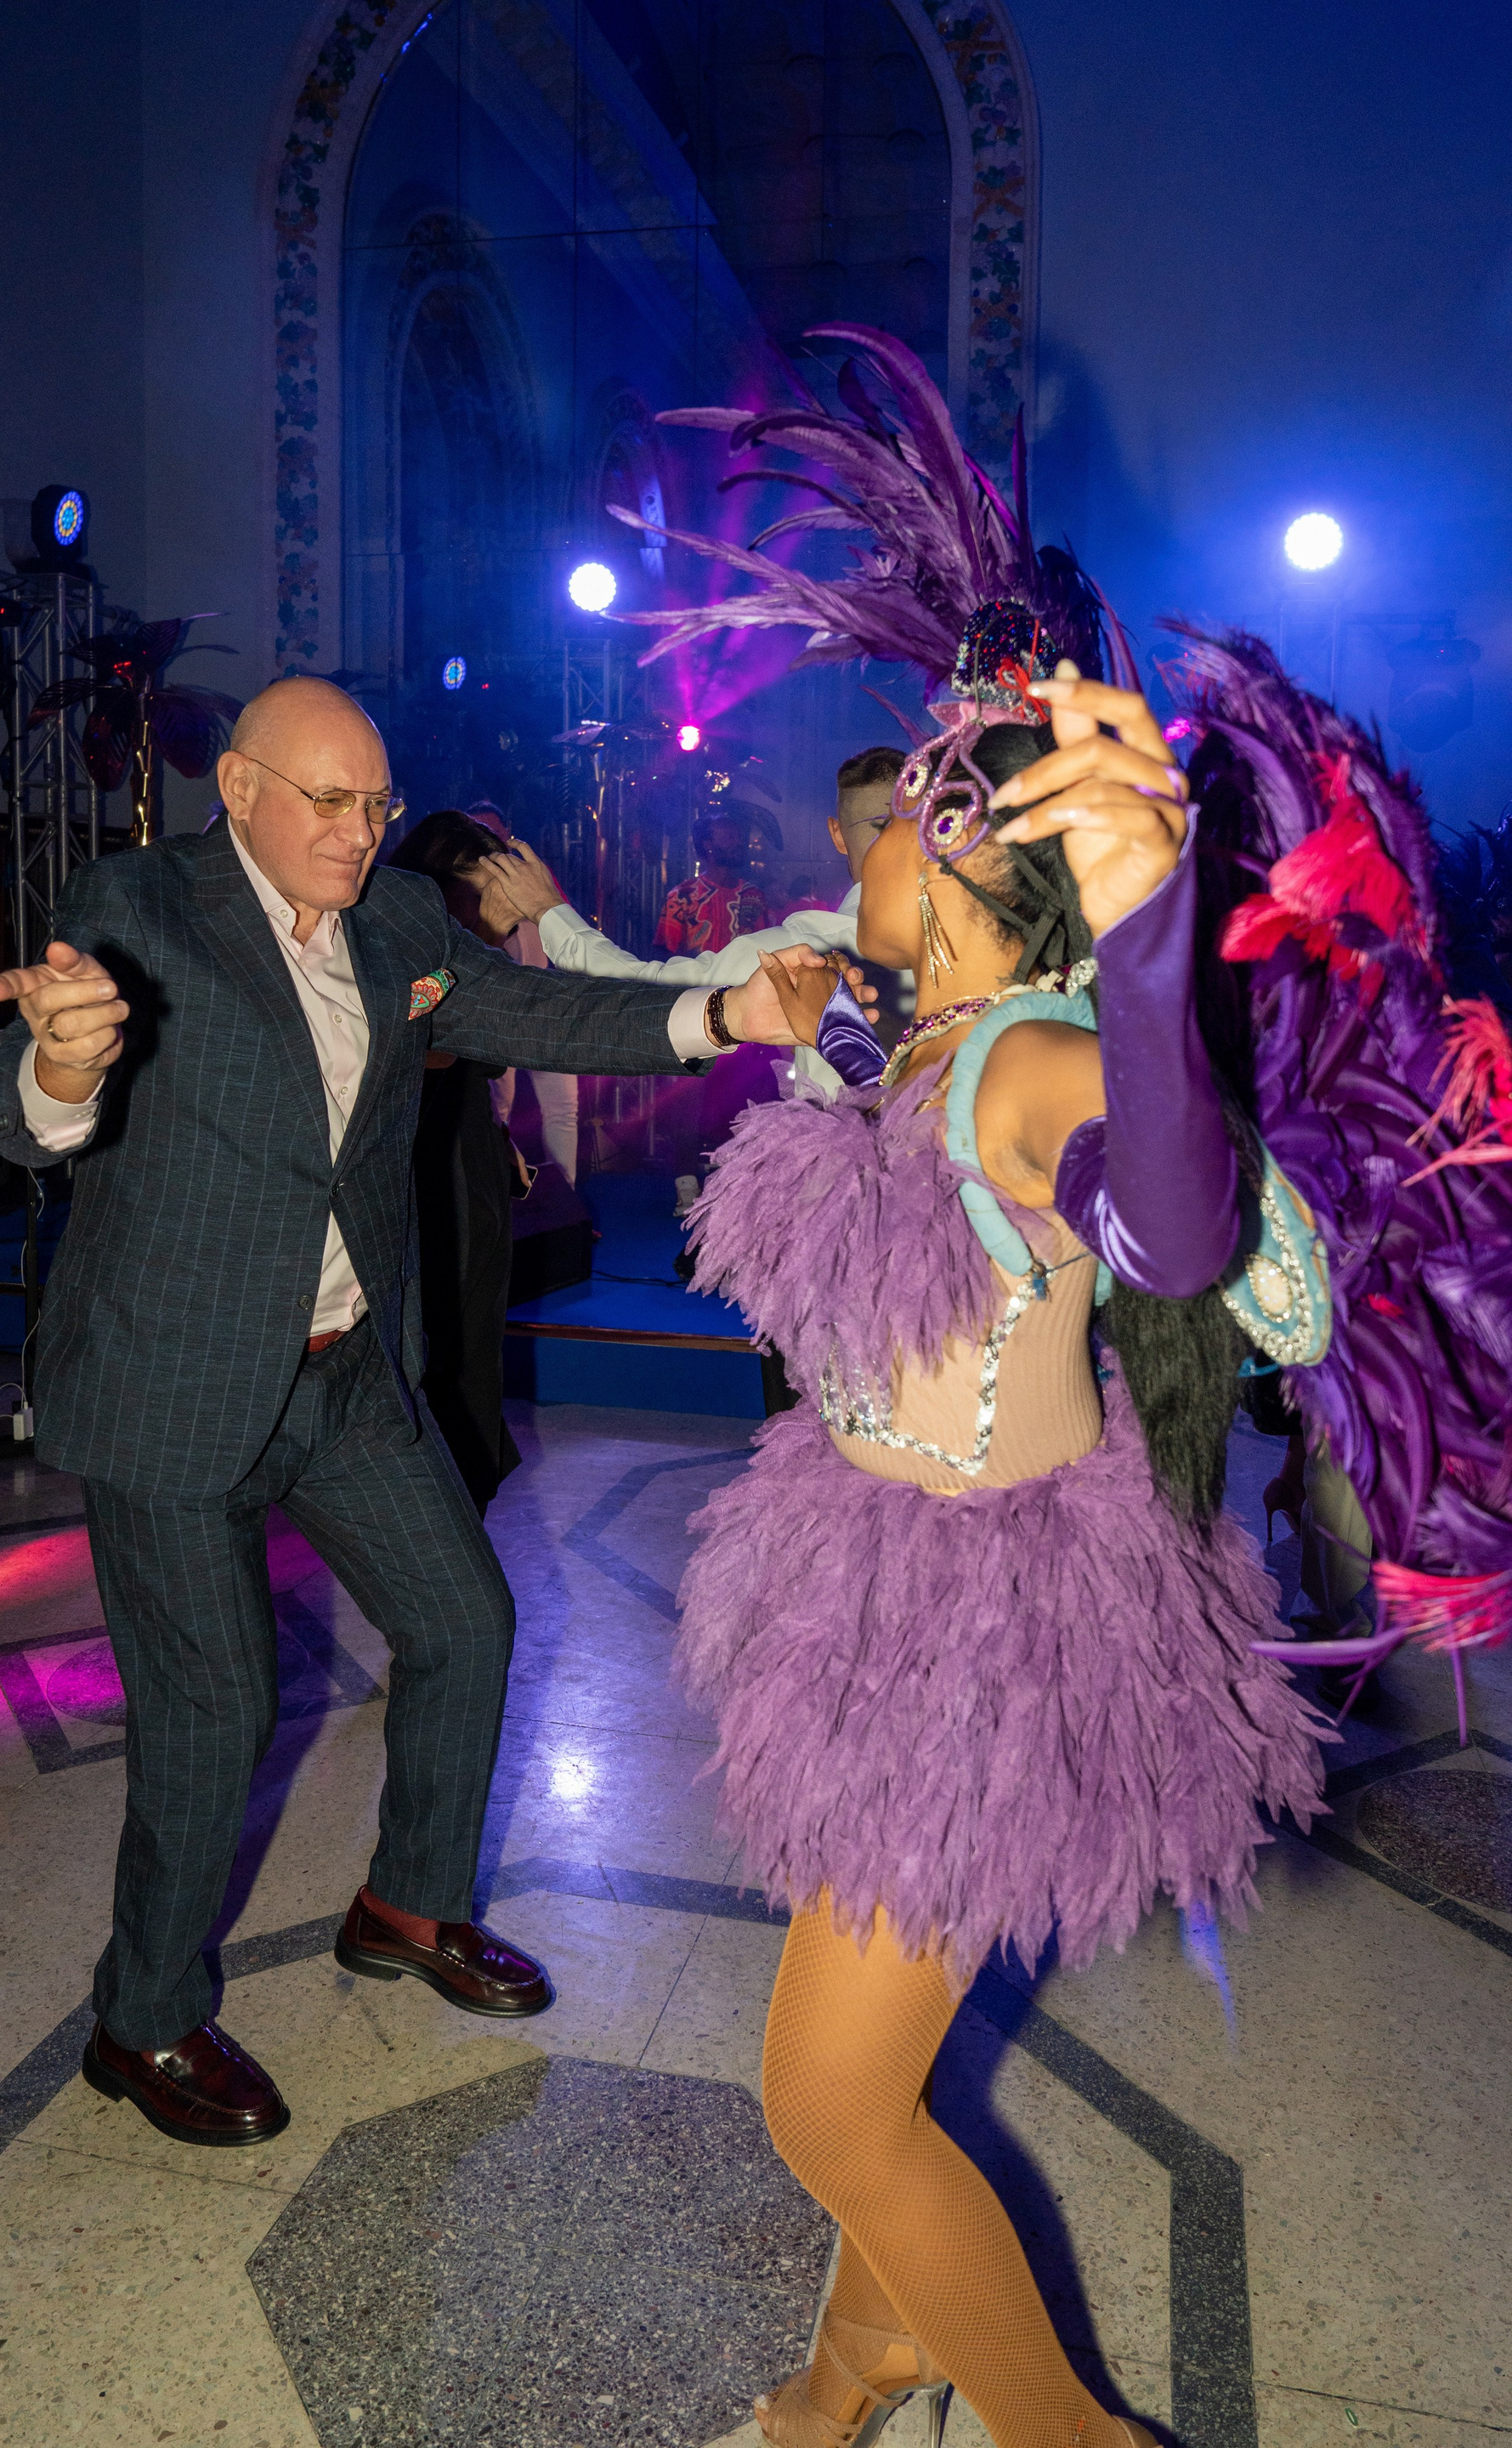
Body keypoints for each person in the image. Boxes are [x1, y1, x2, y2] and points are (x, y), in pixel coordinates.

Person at [620, 320, 1512, 2448]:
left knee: (826, 2100)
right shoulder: (917, 1036)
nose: (852, 836)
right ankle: (863, 2356)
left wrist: (1145, 937)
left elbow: (1181, 1238)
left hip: (977, 1628)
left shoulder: (1030, 1054)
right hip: (855, 1572)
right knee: (882, 2051)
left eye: (887, 816)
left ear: (963, 859)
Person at [0, 675, 816, 2150]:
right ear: (240, 790)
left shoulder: (401, 922)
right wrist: (62, 1060)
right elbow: (24, 1105)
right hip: (174, 1379)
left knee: (466, 1627)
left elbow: (530, 1004)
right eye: (327, 802)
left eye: (376, 805)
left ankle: (406, 1907)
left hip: (348, 1370)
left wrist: (723, 1012)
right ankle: (141, 2016)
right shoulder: (142, 906)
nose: (360, 833)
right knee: (215, 1711)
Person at [478, 744, 908, 1102]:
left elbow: (635, 991)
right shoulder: (690, 898)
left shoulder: (800, 946)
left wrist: (547, 908)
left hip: (822, 1154)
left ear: (836, 834)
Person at [387, 808, 525, 1515]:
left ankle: (467, 1484)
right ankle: (438, 1497)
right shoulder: (393, 931)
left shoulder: (468, 941)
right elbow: (419, 1029)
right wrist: (487, 940)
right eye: (480, 887)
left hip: (467, 1146)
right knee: (437, 1333)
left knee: (474, 1333)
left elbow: (495, 1049)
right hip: (417, 1155)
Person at [463, 798, 580, 1187]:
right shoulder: (461, 884)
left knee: (563, 1109)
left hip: (546, 1007)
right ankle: (504, 1201)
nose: (488, 840)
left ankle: (566, 1203)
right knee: (497, 1110)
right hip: (496, 1012)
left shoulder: (532, 876)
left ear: (507, 833)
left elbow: (565, 930)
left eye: (494, 832)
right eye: (478, 831)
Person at [653, 804, 771, 954]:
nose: (739, 843)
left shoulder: (754, 895)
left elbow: (766, 951)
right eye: (730, 837)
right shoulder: (682, 897)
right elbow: (666, 955)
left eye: (739, 837)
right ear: (708, 845)